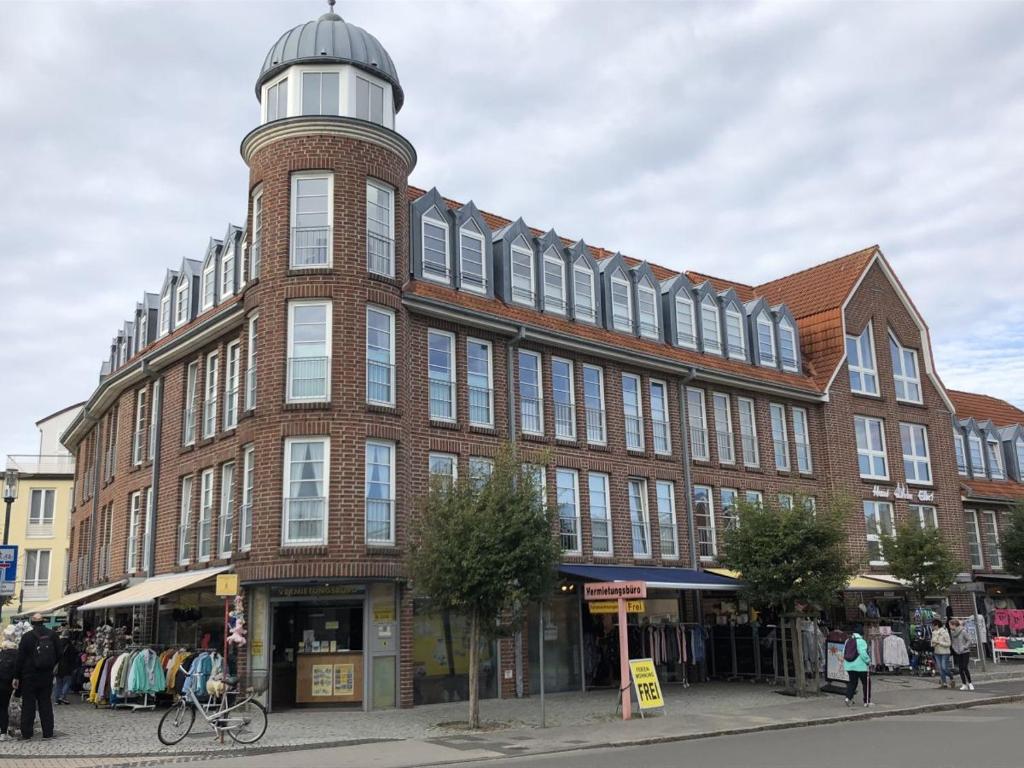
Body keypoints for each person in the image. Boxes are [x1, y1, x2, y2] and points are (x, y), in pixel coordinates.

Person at [12, 613, 61, 740]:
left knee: (28, 705)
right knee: (45, 703)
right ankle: (48, 733)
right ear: (43, 622)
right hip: (46, 675)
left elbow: (20, 658)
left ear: (32, 623)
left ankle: (27, 733)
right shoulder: (53, 635)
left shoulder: (27, 637)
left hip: (29, 676)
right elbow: (59, 654)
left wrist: (16, 676)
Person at [843, 624, 872, 707]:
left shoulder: (847, 641)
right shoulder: (861, 641)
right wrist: (868, 661)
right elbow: (863, 654)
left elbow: (844, 652)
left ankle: (848, 698)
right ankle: (866, 701)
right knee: (866, 683)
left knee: (852, 682)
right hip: (861, 667)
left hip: (849, 666)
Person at [0, 628, 18, 741]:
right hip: (8, 684)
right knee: (3, 707)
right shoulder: (17, 655)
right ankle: (3, 733)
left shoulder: (1, 654)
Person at [54, 632, 80, 705]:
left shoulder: (57, 644)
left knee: (58, 683)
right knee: (67, 682)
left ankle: (56, 699)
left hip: (58, 667)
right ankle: (63, 696)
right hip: (67, 667)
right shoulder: (70, 646)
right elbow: (74, 657)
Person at [949, 619, 975, 691]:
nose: (950, 626)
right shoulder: (953, 633)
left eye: (950, 625)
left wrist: (965, 647)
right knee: (960, 669)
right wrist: (954, 648)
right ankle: (964, 684)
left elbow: (969, 640)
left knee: (965, 667)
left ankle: (970, 683)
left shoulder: (963, 631)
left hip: (965, 652)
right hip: (958, 652)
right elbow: (953, 642)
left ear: (954, 625)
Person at [931, 618, 953, 689]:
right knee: (940, 668)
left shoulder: (944, 632)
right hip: (937, 652)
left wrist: (939, 642)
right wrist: (933, 644)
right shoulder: (933, 633)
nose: (933, 627)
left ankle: (950, 675)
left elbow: (949, 643)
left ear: (937, 625)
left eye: (933, 626)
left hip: (945, 652)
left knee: (944, 667)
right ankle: (944, 683)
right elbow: (932, 643)